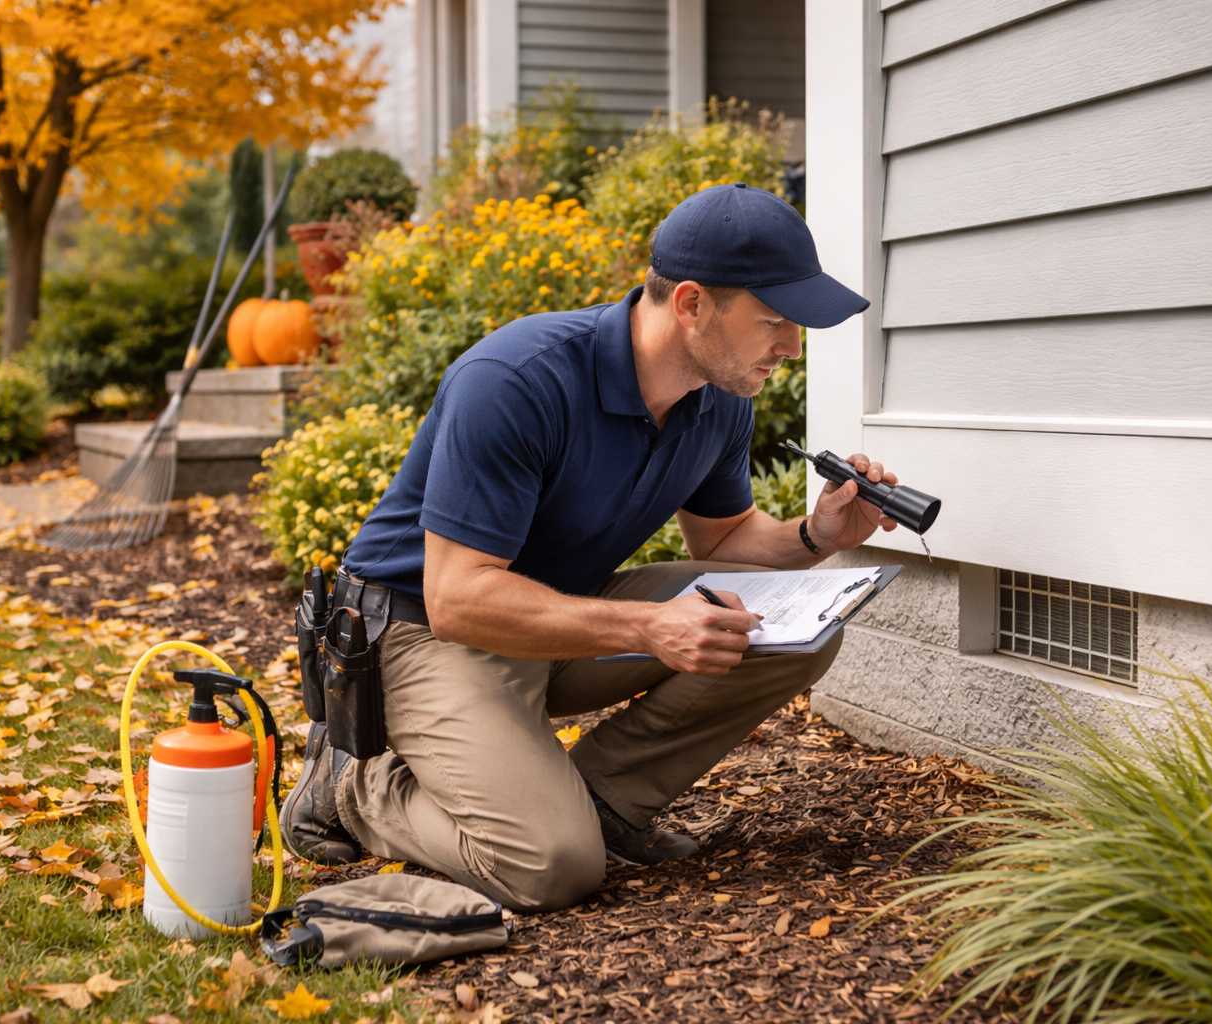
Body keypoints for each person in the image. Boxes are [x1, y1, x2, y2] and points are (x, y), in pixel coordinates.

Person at [280, 182, 902, 911]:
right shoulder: (516, 382)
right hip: (420, 631)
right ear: (692, 304)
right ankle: (355, 786)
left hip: (552, 616)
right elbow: (456, 600)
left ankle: (602, 803)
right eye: (774, 321)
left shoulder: (719, 400)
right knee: (550, 867)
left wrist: (817, 535)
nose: (791, 347)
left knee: (788, 629)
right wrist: (649, 627)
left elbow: (724, 538)